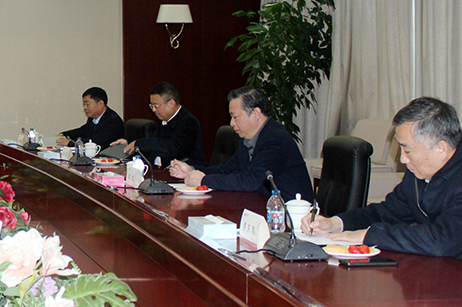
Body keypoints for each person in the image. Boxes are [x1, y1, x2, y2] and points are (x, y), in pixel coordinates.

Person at [304, 97, 462, 258]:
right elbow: (386, 213)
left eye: (408, 151)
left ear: (441, 149)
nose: (403, 159)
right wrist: (336, 223)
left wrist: (371, 235)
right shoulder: (417, 172)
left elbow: (443, 241)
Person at [169, 86, 313, 200]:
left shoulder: (274, 138)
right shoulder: (249, 138)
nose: (232, 123)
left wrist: (204, 180)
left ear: (256, 113)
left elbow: (250, 181)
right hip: (261, 204)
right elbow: (229, 169)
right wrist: (192, 170)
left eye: (235, 117)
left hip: (290, 213)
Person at [110, 82, 204, 166]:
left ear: (171, 103)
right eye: (152, 106)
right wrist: (130, 145)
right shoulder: (165, 121)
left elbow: (172, 148)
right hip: (159, 169)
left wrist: (140, 143)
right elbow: (154, 146)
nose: (154, 110)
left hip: (182, 173)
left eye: (156, 105)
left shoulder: (188, 122)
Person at [55, 87, 125, 148]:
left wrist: (70, 143)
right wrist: (64, 134)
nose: (85, 108)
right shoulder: (93, 118)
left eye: (88, 104)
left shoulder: (113, 121)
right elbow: (82, 131)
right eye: (84, 104)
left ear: (100, 104)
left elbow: (97, 142)